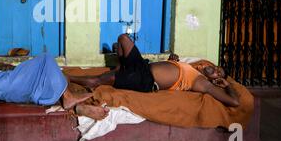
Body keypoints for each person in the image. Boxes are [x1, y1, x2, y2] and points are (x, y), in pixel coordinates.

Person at [68, 34, 240, 107]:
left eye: (218, 73)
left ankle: (64, 77)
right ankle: (121, 68)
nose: (216, 69)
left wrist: (227, 85)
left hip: (145, 80)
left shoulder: (202, 83)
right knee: (123, 39)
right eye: (217, 67)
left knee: (99, 80)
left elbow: (234, 102)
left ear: (216, 80)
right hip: (142, 66)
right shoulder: (194, 68)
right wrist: (172, 62)